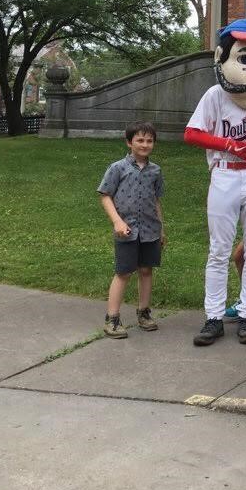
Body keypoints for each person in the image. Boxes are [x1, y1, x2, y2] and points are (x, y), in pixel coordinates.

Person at [185, 18, 246, 347]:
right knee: (219, 250)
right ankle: (213, 317)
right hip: (226, 171)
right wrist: (228, 145)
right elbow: (192, 133)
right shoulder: (216, 94)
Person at [97, 121, 165, 338]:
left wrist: (161, 229)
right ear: (129, 142)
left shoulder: (155, 171)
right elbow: (105, 195)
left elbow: (156, 201)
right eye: (140, 140)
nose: (145, 144)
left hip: (150, 230)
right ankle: (112, 319)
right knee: (124, 272)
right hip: (126, 230)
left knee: (146, 270)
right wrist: (117, 221)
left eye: (149, 141)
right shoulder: (118, 168)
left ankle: (144, 312)